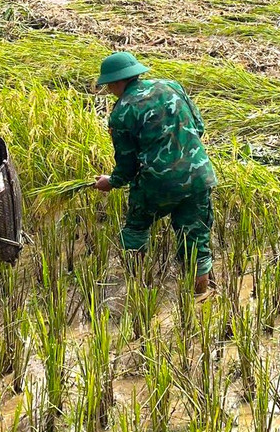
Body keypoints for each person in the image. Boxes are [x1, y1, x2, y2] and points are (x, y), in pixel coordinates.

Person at [93, 52, 218, 296]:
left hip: (157, 184)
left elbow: (127, 166)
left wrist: (112, 182)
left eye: (108, 86)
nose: (109, 90)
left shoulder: (122, 112)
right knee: (196, 242)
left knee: (136, 229)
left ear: (118, 82)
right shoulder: (172, 86)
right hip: (199, 177)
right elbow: (199, 127)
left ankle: (138, 291)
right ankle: (200, 298)